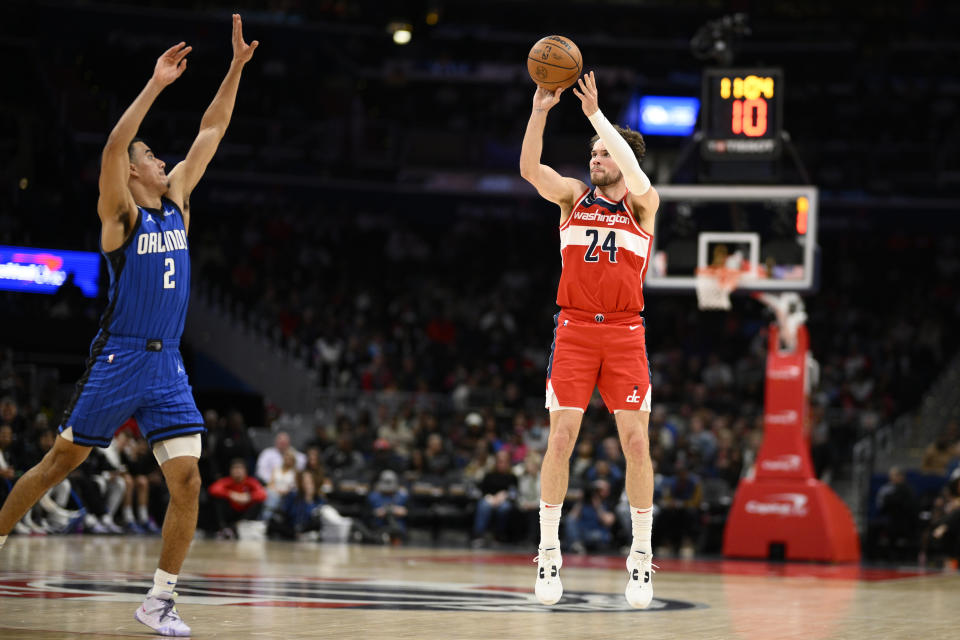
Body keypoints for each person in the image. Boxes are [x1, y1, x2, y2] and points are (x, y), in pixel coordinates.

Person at [0, 15, 258, 636]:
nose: (161, 158)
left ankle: (159, 600)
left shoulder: (179, 202)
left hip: (167, 362)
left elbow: (213, 127)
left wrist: (234, 70)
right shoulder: (119, 218)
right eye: (152, 156)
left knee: (189, 479)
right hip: (118, 358)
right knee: (59, 462)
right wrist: (155, 84)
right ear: (136, 173)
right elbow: (115, 146)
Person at [519, 71, 660, 608]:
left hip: (625, 335)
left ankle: (642, 558)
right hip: (575, 331)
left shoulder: (644, 205)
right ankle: (549, 553)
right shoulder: (573, 197)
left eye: (605, 153)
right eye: (594, 152)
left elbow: (638, 178)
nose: (595, 158)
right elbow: (530, 169)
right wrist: (539, 109)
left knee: (638, 444)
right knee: (560, 440)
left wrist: (597, 115)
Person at [208, 459, 267, 538]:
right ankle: (223, 528)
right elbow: (213, 489)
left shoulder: (251, 482)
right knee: (217, 500)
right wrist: (231, 494)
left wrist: (248, 497)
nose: (237, 471)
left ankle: (237, 527)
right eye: (234, 468)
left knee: (258, 503)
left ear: (245, 471)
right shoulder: (227, 481)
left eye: (240, 468)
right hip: (230, 512)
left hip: (245, 514)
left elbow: (262, 494)